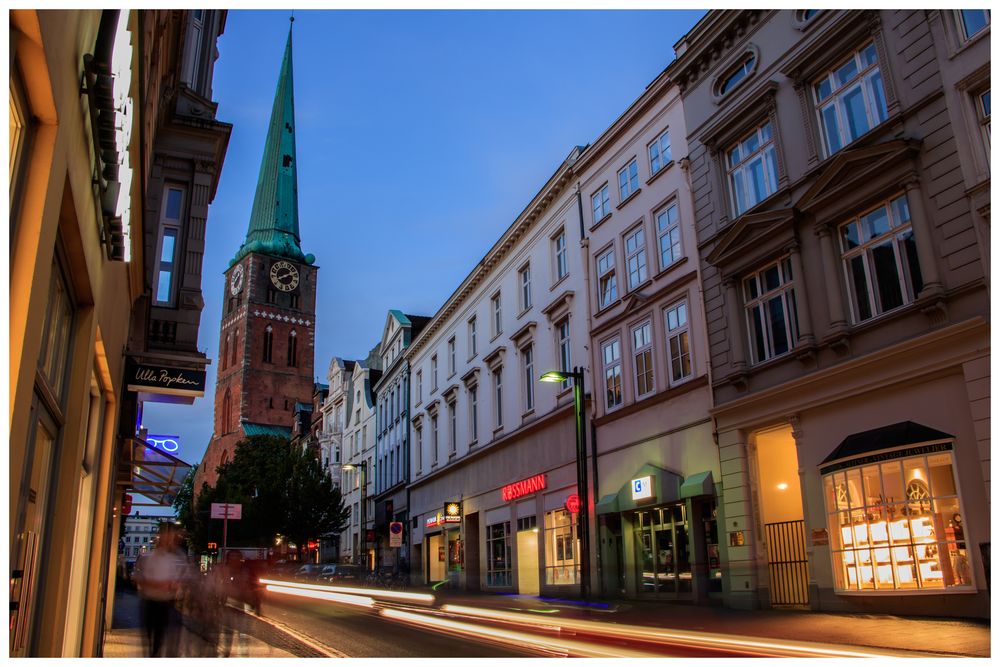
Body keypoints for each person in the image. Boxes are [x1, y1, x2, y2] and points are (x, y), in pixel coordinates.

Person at [134, 523, 189, 656]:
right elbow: (139, 579)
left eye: (171, 537)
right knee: (151, 635)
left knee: (160, 636)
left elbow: (181, 580)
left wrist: (175, 586)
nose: (169, 540)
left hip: (166, 603)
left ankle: (156, 655)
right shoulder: (149, 558)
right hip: (151, 601)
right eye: (166, 536)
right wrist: (161, 585)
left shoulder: (175, 558)